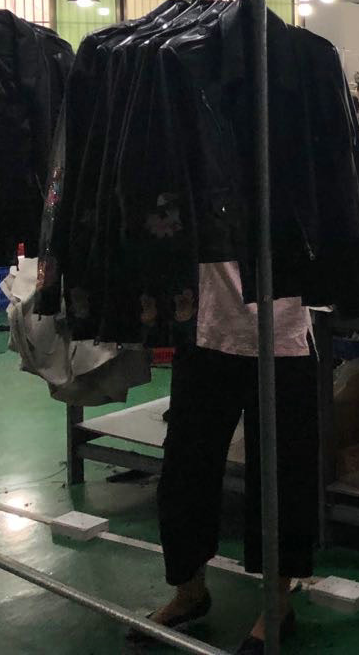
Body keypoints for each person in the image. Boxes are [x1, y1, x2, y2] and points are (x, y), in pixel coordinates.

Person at [138, 265, 317, 652]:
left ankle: (277, 607)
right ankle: (189, 592)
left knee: (280, 477)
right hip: (205, 329)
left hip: (283, 337)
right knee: (185, 469)